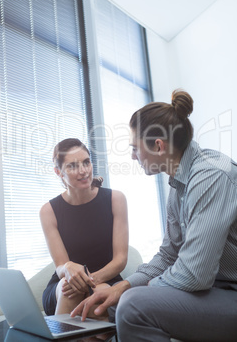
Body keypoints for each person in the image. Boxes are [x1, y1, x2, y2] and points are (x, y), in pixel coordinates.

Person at [71, 90, 237, 341]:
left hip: (229, 293)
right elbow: (170, 254)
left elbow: (194, 274)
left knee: (134, 305)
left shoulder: (210, 177)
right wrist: (121, 287)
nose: (132, 156)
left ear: (158, 145)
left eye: (135, 148)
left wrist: (144, 288)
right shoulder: (179, 184)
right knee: (105, 305)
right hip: (215, 290)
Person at [40, 138, 128, 317]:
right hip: (63, 286)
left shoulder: (115, 199)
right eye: (72, 166)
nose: (83, 171)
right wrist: (68, 269)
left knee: (97, 294)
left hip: (106, 279)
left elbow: (120, 260)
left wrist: (86, 281)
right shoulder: (48, 211)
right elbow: (60, 266)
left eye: (86, 162)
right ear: (58, 172)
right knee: (68, 288)